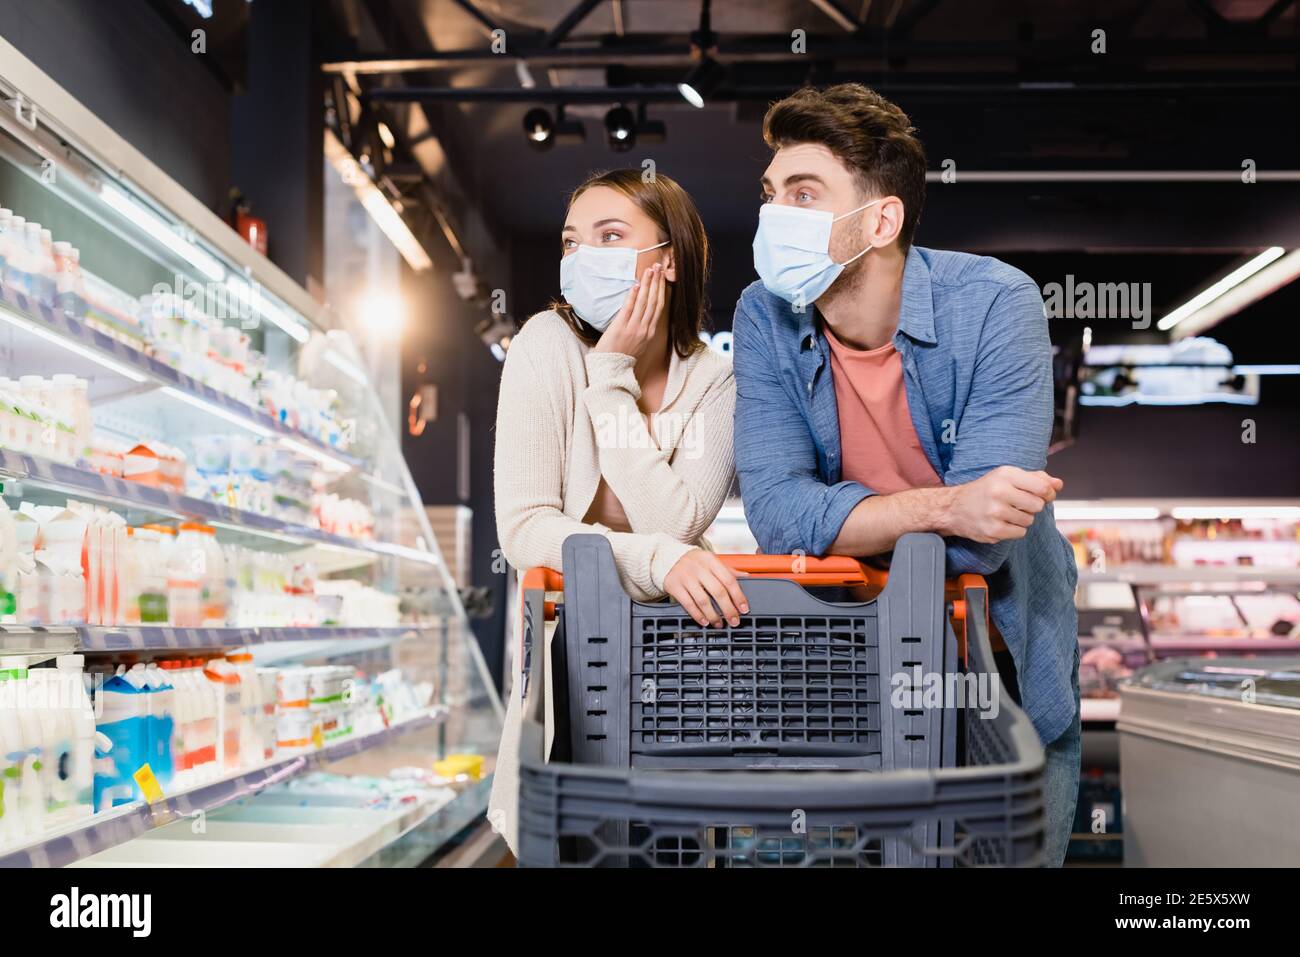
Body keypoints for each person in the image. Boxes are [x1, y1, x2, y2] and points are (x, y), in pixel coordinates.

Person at [733, 84, 1081, 865]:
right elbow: (778, 513)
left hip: (1008, 677)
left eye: (803, 192)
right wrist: (948, 503)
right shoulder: (763, 314)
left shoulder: (996, 303)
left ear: (879, 220)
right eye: (770, 193)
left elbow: (983, 545)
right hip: (864, 679)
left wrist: (855, 522)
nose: (772, 214)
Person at [489, 168, 744, 854]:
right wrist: (656, 559)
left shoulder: (714, 382)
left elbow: (677, 521)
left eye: (609, 236)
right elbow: (524, 529)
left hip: (685, 676)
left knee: (679, 847)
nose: (580, 258)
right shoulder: (545, 345)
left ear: (667, 261)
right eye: (572, 242)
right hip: (571, 674)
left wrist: (611, 386)